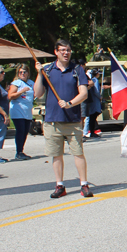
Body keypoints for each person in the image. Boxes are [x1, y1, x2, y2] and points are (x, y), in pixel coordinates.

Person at [34, 39, 93, 198]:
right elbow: (38, 93)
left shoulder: (77, 70)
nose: (65, 53)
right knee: (56, 154)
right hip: (52, 120)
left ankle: (84, 184)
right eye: (62, 50)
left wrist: (69, 103)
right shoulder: (48, 70)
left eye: (67, 50)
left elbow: (84, 93)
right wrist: (39, 74)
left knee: (78, 153)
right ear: (56, 52)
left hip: (73, 120)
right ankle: (60, 185)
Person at [8, 64, 35, 160]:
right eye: (20, 72)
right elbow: (10, 96)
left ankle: (21, 150)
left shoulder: (31, 83)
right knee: (20, 131)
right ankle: (18, 152)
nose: (23, 74)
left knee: (25, 132)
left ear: (28, 73)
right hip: (18, 110)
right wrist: (21, 91)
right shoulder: (16, 83)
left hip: (27, 111)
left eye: (24, 72)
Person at [88, 68, 102, 138]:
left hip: (92, 100)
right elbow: (96, 91)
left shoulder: (91, 80)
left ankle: (92, 130)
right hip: (95, 100)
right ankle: (92, 131)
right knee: (93, 116)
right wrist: (100, 97)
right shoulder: (95, 80)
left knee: (92, 116)